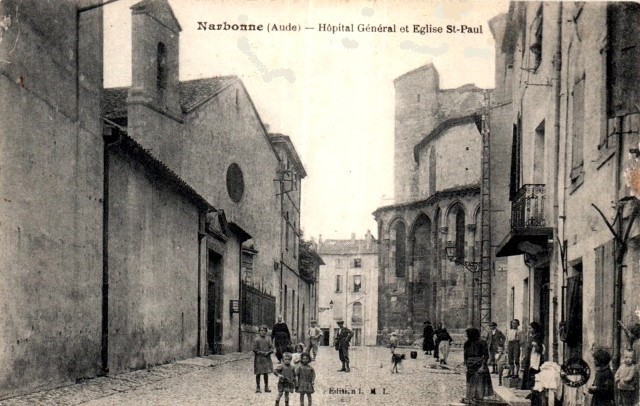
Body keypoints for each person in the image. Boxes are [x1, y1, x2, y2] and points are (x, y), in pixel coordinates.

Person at [464, 327, 494, 402]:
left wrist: (483, 366)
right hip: (470, 365)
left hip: (480, 364)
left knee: (480, 383)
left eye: (468, 334)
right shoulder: (467, 343)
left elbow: (486, 355)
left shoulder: (482, 342)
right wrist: (466, 365)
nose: (466, 335)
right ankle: (470, 399)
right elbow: (465, 355)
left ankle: (479, 400)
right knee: (470, 383)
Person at [521, 321, 545, 390]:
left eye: (530, 328)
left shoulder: (537, 336)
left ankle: (532, 386)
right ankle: (527, 386)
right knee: (528, 369)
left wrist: (535, 345)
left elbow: (539, 347)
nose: (529, 330)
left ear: (535, 329)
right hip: (529, 354)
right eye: (529, 328)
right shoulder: (531, 336)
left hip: (534, 356)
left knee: (533, 370)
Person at [253, 325, 274, 393]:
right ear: (259, 331)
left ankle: (266, 387)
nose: (263, 332)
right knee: (258, 373)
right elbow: (254, 349)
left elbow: (271, 348)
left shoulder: (268, 339)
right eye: (261, 330)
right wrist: (261, 352)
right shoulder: (257, 339)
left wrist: (268, 352)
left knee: (266, 373)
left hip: (266, 358)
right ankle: (258, 387)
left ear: (266, 332)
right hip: (259, 358)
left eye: (264, 330)